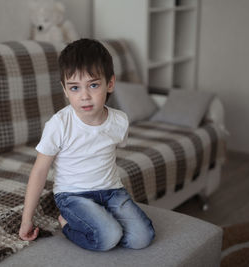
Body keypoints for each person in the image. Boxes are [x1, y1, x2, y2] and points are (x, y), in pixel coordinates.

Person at [19, 38, 155, 251]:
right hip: (72, 195)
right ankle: (66, 223)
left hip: (111, 191)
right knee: (109, 236)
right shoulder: (59, 125)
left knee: (142, 238)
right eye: (74, 88)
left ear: (110, 83)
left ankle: (102, 218)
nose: (84, 96)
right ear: (64, 89)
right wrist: (26, 219)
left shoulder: (119, 121)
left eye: (93, 85)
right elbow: (39, 171)